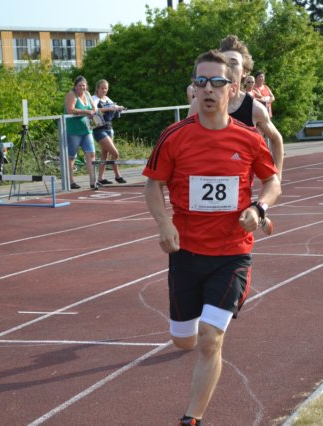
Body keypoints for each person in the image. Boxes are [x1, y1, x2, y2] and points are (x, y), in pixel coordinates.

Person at [143, 50, 281, 426]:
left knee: (210, 337)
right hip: (186, 253)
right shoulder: (173, 137)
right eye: (201, 81)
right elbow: (153, 185)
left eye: (217, 82)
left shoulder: (249, 139)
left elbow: (272, 182)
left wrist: (259, 209)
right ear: (193, 88)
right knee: (183, 339)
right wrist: (164, 224)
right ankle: (188, 335)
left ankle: (192, 419)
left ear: (232, 88)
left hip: (232, 254)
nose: (208, 88)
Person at [188, 35, 284, 180]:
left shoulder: (255, 109)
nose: (229, 67)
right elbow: (186, 139)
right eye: (225, 63)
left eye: (233, 63)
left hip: (240, 186)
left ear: (245, 71)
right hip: (203, 179)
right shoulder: (199, 104)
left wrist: (277, 179)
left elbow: (276, 139)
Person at [64, 75, 98, 189]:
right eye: (79, 86)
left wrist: (93, 112)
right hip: (74, 130)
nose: (82, 88)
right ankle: (70, 181)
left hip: (87, 129)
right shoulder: (71, 94)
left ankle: (93, 180)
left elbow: (93, 107)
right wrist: (86, 111)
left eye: (83, 85)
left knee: (91, 153)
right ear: (75, 86)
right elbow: (70, 110)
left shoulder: (87, 94)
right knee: (71, 156)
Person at [91, 79, 127, 185]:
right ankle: (117, 175)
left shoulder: (106, 98)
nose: (104, 90)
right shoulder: (94, 98)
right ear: (97, 89)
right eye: (102, 88)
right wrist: (108, 109)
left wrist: (119, 108)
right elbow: (94, 110)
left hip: (109, 128)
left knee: (104, 154)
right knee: (115, 153)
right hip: (99, 129)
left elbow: (114, 106)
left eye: (106, 88)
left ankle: (100, 178)